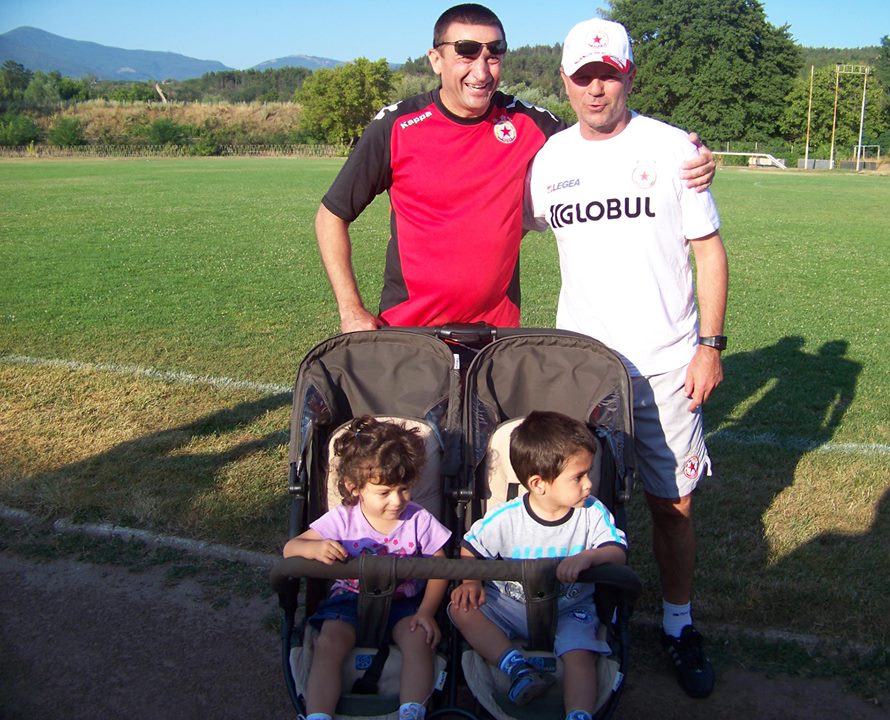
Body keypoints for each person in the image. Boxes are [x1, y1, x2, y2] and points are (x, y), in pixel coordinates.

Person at [524, 19, 729, 699]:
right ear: (565, 80)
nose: (596, 88)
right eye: (583, 76)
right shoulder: (549, 159)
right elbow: (501, 225)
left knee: (672, 506)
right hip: (581, 370)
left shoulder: (673, 149)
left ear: (629, 76)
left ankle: (678, 624)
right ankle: (584, 619)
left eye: (608, 74)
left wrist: (710, 347)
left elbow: (709, 251)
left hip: (667, 365)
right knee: (579, 501)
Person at [315, 3, 716, 332]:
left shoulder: (530, 124)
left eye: (493, 54)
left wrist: (687, 153)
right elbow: (331, 216)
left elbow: (601, 136)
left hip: (496, 336)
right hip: (409, 331)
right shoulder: (396, 127)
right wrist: (351, 309)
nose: (481, 70)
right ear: (436, 59)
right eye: (466, 52)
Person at [449, 411, 627, 720]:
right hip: (509, 607)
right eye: (578, 477)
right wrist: (471, 583)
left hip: (569, 609)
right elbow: (470, 548)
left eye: (589, 473)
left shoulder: (592, 513)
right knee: (460, 610)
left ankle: (579, 714)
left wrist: (587, 557)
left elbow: (617, 552)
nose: (589, 484)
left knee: (580, 655)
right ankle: (515, 666)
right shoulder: (506, 518)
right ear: (539, 484)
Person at [283, 416, 452, 720]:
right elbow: (291, 548)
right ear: (355, 488)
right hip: (347, 602)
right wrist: (315, 548)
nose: (397, 500)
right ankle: (318, 714)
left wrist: (427, 612)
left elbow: (440, 565)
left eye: (404, 489)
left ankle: (412, 711)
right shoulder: (343, 519)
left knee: (419, 641)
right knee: (329, 643)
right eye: (384, 492)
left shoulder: (418, 519)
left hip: (402, 604)